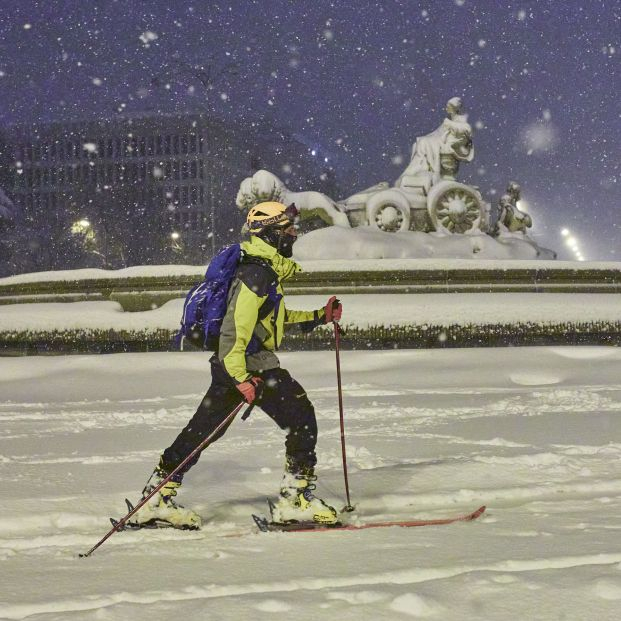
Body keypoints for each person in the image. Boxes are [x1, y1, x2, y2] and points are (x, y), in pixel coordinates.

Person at [130, 201, 343, 529]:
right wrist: (242, 378)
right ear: (271, 234)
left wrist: (320, 317)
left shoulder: (261, 269)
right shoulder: (256, 273)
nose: (294, 234)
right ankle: (294, 501)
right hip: (251, 367)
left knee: (201, 432)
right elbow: (234, 331)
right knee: (302, 419)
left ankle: (155, 498)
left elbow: (274, 322)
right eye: (287, 229)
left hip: (236, 366)